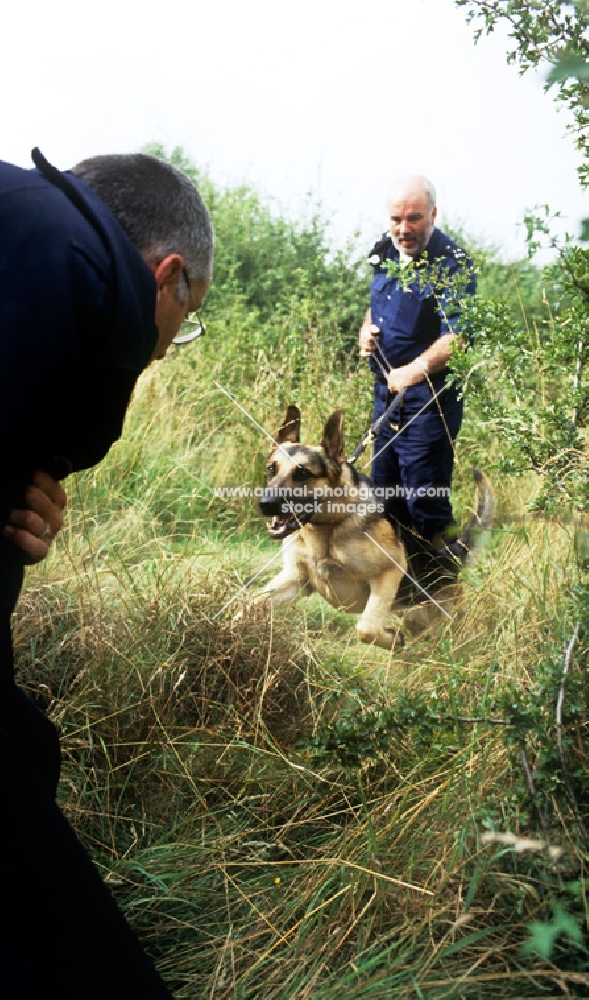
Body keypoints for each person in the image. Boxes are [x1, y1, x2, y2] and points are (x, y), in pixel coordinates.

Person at [0, 148, 214, 998]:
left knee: (27, 739)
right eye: (185, 319)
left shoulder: (25, 221)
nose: (165, 348)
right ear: (167, 278)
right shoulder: (86, 282)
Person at [359, 174, 476, 545]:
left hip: (430, 403)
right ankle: (402, 594)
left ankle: (444, 593)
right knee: (384, 502)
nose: (403, 229)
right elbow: (375, 305)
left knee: (427, 505)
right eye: (396, 219)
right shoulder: (385, 252)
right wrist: (366, 330)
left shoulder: (452, 266)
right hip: (386, 401)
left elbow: (458, 338)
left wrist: (413, 371)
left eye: (414, 219)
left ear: (433, 214)